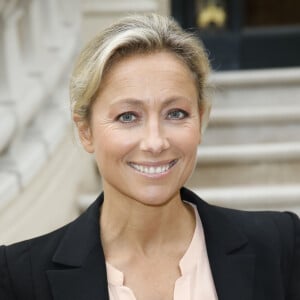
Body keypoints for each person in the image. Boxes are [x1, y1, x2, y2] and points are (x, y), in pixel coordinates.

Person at [0, 13, 299, 300]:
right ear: (85, 131)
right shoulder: (19, 277)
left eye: (175, 113)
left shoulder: (281, 245)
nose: (155, 142)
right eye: (128, 116)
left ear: (201, 119)